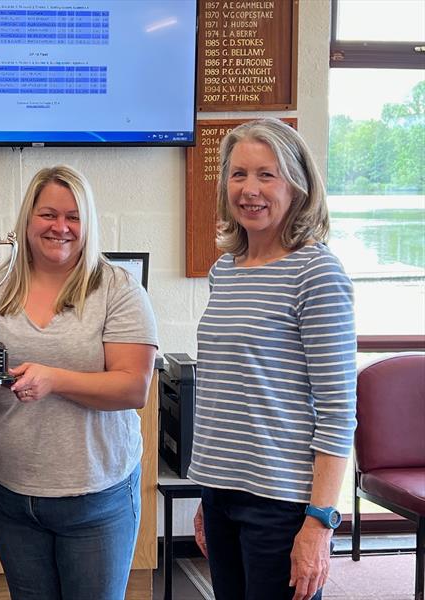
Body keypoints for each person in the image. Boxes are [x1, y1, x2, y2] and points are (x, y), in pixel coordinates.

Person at [0, 165, 159, 599]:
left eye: (73, 217)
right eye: (48, 214)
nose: (60, 227)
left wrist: (55, 379)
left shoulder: (117, 289)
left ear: (89, 224)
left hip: (95, 496)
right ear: (28, 219)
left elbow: (132, 388)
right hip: (13, 491)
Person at [188, 118, 357, 600]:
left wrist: (319, 523)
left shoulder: (317, 272)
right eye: (238, 174)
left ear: (298, 185)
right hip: (222, 496)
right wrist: (209, 497)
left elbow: (338, 413)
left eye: (268, 174)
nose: (250, 189)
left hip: (282, 504)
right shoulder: (226, 269)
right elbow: (229, 391)